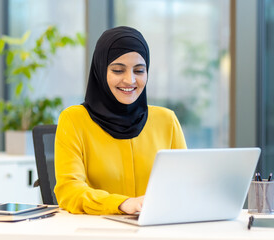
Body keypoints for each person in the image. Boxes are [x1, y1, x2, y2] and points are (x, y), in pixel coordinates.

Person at [54, 26, 187, 215]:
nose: (130, 80)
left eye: (139, 71)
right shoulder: (74, 120)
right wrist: (123, 204)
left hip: (156, 228)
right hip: (98, 229)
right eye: (118, 70)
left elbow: (186, 184)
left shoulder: (167, 120)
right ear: (100, 71)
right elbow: (69, 191)